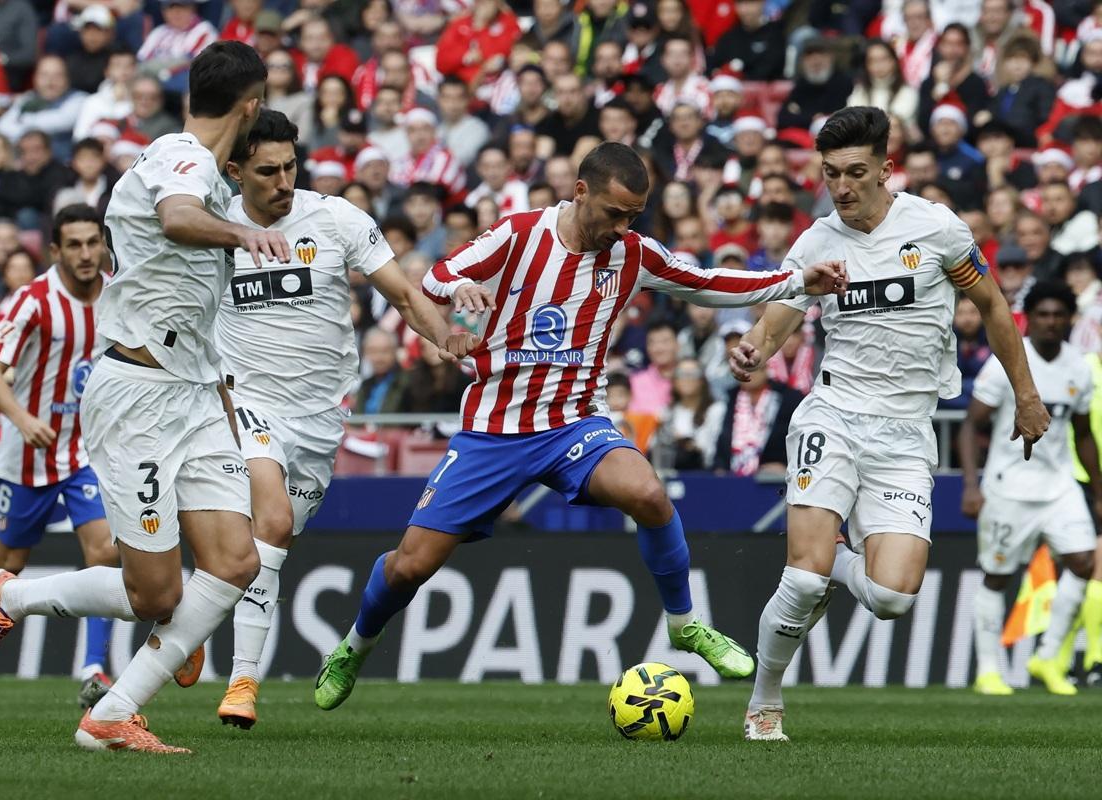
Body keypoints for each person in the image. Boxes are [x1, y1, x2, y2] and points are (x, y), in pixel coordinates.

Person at [312, 141, 848, 712]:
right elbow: (441, 275)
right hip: (495, 428)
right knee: (409, 566)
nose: (622, 227)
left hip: (575, 423)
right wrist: (459, 290)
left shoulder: (633, 254)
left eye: (633, 216)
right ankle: (356, 643)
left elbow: (707, 282)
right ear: (580, 191)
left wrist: (795, 283)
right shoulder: (519, 233)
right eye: (614, 213)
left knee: (647, 492)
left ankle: (685, 624)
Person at [0, 41, 288, 755]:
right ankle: (4, 597)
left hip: (194, 395)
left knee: (235, 560)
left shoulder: (211, 176)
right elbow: (175, 218)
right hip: (137, 395)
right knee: (156, 597)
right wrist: (241, 233)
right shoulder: (180, 158)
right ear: (250, 102)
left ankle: (112, 711)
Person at [731, 107, 1048, 742]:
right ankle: (765, 703)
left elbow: (991, 305)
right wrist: (753, 347)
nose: (842, 188)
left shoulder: (935, 230)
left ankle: (841, 562)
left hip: (906, 433)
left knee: (892, 599)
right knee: (800, 577)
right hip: (835, 415)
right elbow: (779, 317)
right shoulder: (818, 242)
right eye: (829, 175)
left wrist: (1026, 394)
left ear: (886, 169)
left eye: (854, 173)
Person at [211, 109, 470, 728]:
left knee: (257, 553)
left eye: (289, 167)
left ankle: (195, 620)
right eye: (267, 170)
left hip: (321, 419)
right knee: (269, 529)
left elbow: (405, 295)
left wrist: (447, 339)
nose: (281, 180)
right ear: (235, 171)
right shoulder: (212, 229)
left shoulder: (336, 219)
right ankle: (243, 682)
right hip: (244, 401)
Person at [0, 205, 118, 709]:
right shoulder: (34, 301)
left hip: (87, 450)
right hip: (28, 453)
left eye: (94, 242)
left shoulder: (117, 294)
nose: (87, 254)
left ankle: (94, 669)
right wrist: (23, 420)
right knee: (9, 564)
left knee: (105, 552)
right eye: (75, 244)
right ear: (56, 251)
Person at [960, 281, 1102, 696]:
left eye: (1059, 314)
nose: (1051, 321)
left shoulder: (1079, 364)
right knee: (998, 576)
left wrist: (1097, 492)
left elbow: (1083, 434)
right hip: (1009, 487)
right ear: (1030, 318)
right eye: (1043, 314)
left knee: (1082, 561)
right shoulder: (1006, 359)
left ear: (1068, 319)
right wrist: (972, 484)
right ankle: (989, 669)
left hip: (1059, 485)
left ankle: (1047, 655)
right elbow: (972, 424)